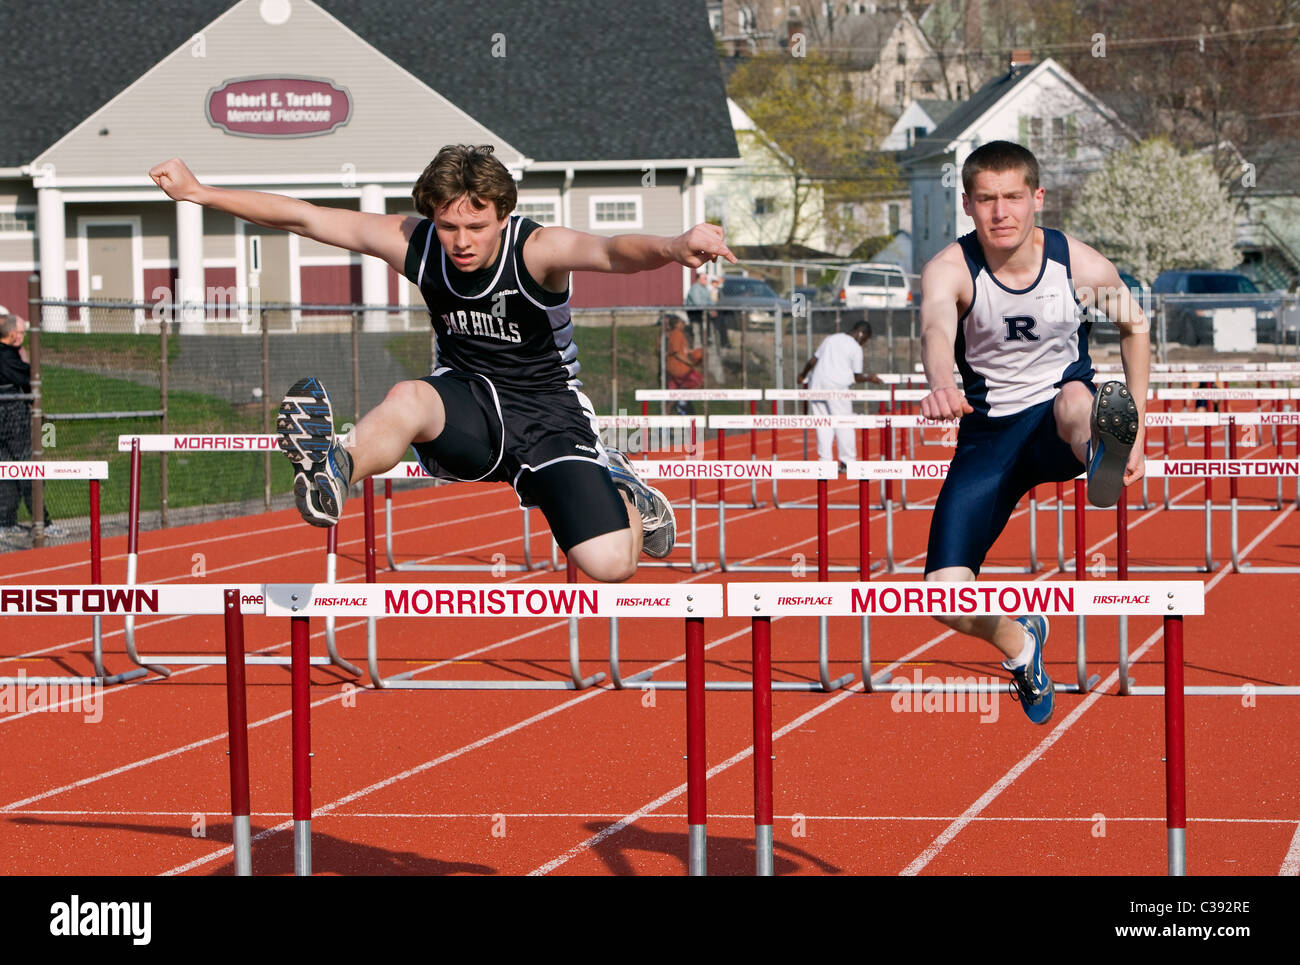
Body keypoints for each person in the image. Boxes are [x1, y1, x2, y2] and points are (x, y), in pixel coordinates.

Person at [149, 146, 736, 582]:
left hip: (548, 412)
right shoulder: (417, 241)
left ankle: (616, 478)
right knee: (409, 396)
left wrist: (671, 246)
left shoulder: (537, 250)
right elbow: (305, 217)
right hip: (468, 402)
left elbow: (611, 251)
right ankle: (333, 467)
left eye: (475, 227)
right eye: (448, 225)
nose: (460, 241)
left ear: (503, 215)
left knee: (611, 566)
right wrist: (202, 194)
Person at [918, 140, 1147, 725]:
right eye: (987, 200)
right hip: (988, 440)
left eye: (1014, 198)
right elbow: (937, 326)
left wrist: (1140, 423)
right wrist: (942, 381)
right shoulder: (952, 269)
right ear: (967, 204)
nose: (1002, 213)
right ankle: (1021, 645)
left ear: (1036, 198)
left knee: (1076, 397)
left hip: (1056, 421)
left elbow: (1134, 327)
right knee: (943, 594)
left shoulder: (1078, 267)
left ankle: (1104, 452)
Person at [796, 321, 881, 468]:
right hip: (837, 387)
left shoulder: (831, 338)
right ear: (862, 334)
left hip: (817, 385)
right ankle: (847, 460)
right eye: (865, 340)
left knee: (822, 423)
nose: (864, 344)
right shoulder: (855, 348)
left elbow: (813, 360)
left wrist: (802, 374)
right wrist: (870, 378)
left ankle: (825, 460)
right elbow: (856, 377)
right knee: (844, 422)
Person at [0, 308, 53, 542]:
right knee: (27, 466)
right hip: (12, 417)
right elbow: (30, 378)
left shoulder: (8, 354)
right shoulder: (8, 357)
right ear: (12, 334)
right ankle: (42, 521)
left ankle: (6, 520)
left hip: (8, 416)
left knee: (7, 468)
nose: (22, 337)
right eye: (21, 333)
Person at [665, 315, 704, 411]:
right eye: (682, 322)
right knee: (699, 382)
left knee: (673, 394)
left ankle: (666, 415)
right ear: (677, 324)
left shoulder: (674, 334)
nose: (684, 324)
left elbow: (683, 351)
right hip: (679, 368)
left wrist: (694, 352)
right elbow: (677, 353)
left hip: (672, 368)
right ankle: (683, 400)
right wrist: (690, 363)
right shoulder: (677, 334)